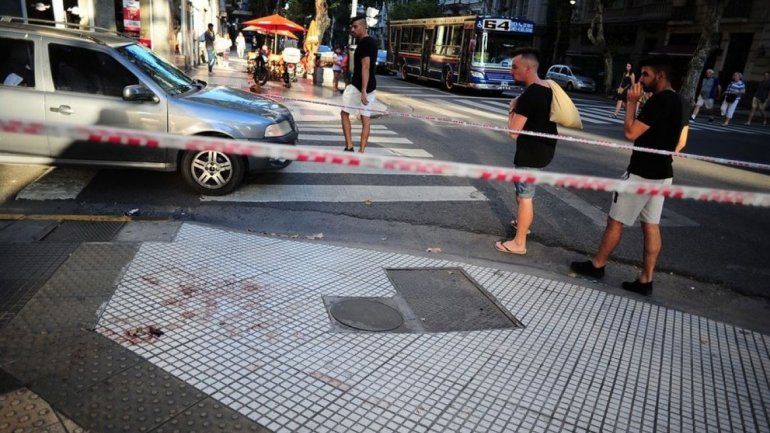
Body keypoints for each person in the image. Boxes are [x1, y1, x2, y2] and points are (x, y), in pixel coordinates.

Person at [571, 55, 689, 296]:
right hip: (664, 172)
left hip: (642, 173)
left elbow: (630, 132)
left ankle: (597, 265)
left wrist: (632, 102)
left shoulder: (660, 101)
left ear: (661, 75)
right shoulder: (681, 101)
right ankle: (646, 279)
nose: (641, 79)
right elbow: (681, 141)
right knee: (651, 225)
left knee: (615, 221)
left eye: (646, 74)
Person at [493, 48, 558, 256]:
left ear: (528, 68)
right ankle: (522, 223)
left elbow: (513, 131)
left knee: (525, 195)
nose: (511, 70)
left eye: (514, 67)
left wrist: (512, 108)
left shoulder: (531, 93)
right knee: (522, 193)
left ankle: (519, 242)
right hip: (543, 148)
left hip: (532, 151)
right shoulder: (546, 87)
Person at [340, 15, 378, 153]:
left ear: (363, 27)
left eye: (355, 27)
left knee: (345, 114)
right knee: (365, 119)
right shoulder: (373, 42)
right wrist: (367, 89)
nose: (352, 29)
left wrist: (363, 90)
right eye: (352, 27)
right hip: (371, 87)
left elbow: (365, 67)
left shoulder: (364, 43)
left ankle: (349, 146)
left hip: (358, 86)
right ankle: (361, 151)